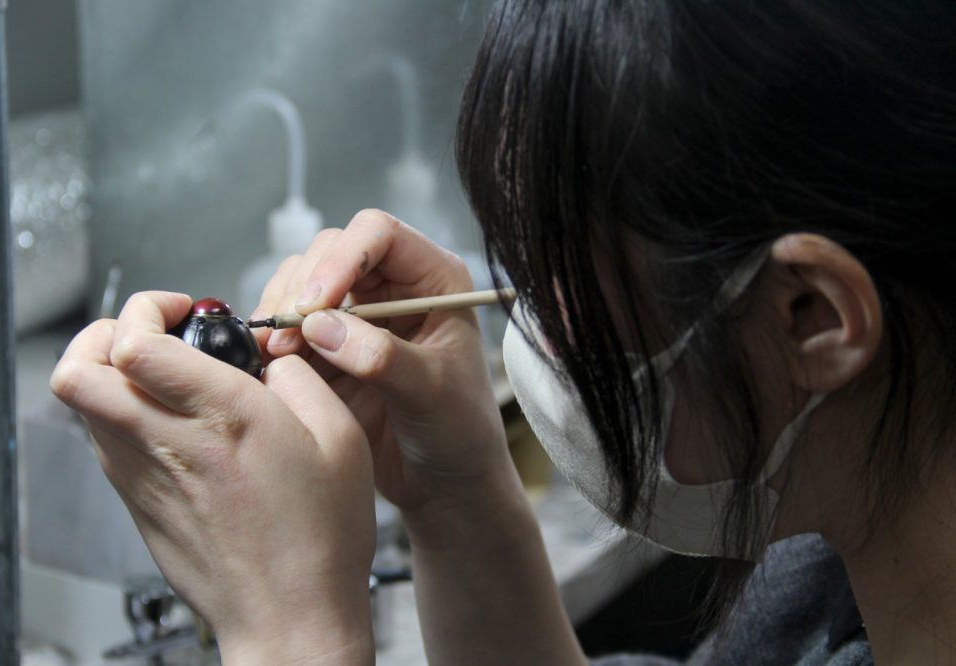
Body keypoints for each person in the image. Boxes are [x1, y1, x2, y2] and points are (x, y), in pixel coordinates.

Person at [51, 0, 956, 664]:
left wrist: (292, 631)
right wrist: (454, 492)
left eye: (561, 268)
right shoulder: (831, 579)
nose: (525, 312)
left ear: (811, 317)